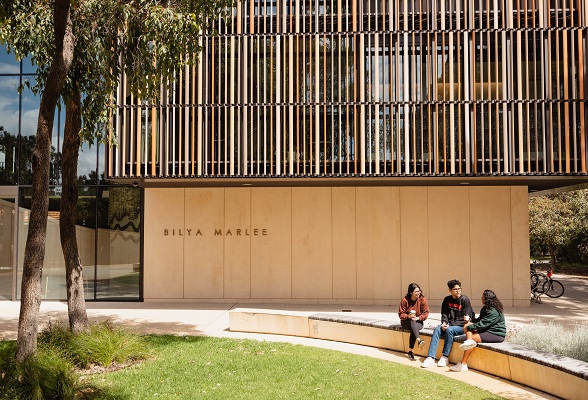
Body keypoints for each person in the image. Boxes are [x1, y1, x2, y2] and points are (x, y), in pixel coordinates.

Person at [421, 279, 474, 368]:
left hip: (462, 326)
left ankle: (445, 357)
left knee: (449, 330)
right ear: (450, 290)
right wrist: (444, 323)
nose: (458, 291)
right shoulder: (447, 300)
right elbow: (444, 314)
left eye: (459, 289)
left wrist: (449, 325)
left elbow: (465, 318)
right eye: (455, 289)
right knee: (437, 329)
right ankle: (430, 357)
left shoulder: (465, 300)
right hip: (450, 324)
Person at [450, 289, 506, 372]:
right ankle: (468, 343)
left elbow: (483, 324)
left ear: (487, 298)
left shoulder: (493, 311)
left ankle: (463, 364)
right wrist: (470, 321)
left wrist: (468, 327)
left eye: (483, 296)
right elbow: (479, 320)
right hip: (487, 330)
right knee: (468, 325)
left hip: (496, 334)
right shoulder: (485, 309)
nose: (481, 298)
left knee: (470, 336)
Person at [398, 283, 430, 360]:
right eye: (416, 292)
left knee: (414, 327)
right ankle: (419, 340)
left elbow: (426, 313)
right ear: (411, 292)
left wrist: (418, 318)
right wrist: (408, 316)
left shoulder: (422, 300)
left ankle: (411, 351)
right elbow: (401, 314)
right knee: (412, 322)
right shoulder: (405, 300)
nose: (418, 293)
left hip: (418, 321)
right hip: (406, 322)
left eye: (419, 291)